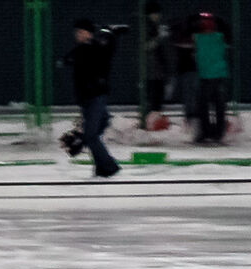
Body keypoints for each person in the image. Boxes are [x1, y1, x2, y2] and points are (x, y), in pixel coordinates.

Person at [62, 18, 126, 178]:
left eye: (81, 32)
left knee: (91, 135)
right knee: (93, 133)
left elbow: (108, 48)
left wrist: (109, 33)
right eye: (76, 32)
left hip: (96, 96)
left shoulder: (96, 48)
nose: (77, 35)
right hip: (87, 98)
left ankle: (109, 167)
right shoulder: (81, 49)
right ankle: (101, 168)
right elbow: (67, 59)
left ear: (89, 33)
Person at [192, 11, 229, 144]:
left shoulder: (197, 38)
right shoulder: (219, 37)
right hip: (218, 75)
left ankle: (205, 132)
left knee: (204, 106)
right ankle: (217, 133)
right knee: (219, 106)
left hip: (205, 76)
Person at [141, 1, 175, 126]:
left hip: (160, 71)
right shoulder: (145, 27)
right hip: (150, 72)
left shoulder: (159, 27)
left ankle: (154, 124)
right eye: (154, 13)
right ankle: (148, 124)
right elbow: (145, 47)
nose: (156, 16)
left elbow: (166, 51)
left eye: (157, 13)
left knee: (158, 102)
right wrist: (159, 37)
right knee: (152, 102)